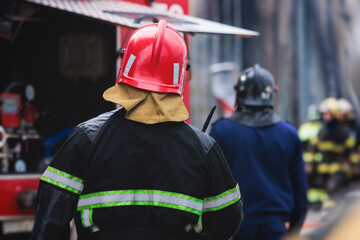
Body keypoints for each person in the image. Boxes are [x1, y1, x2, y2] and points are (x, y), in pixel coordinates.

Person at [31, 20, 243, 240]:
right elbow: (227, 221)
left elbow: (49, 218)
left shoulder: (86, 138)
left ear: (126, 66)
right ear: (182, 73)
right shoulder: (203, 147)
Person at [210, 64, 308, 240]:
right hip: (275, 229)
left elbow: (210, 187)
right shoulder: (289, 134)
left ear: (238, 94)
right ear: (272, 95)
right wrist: (292, 232)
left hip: (235, 229)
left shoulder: (222, 131)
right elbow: (300, 195)